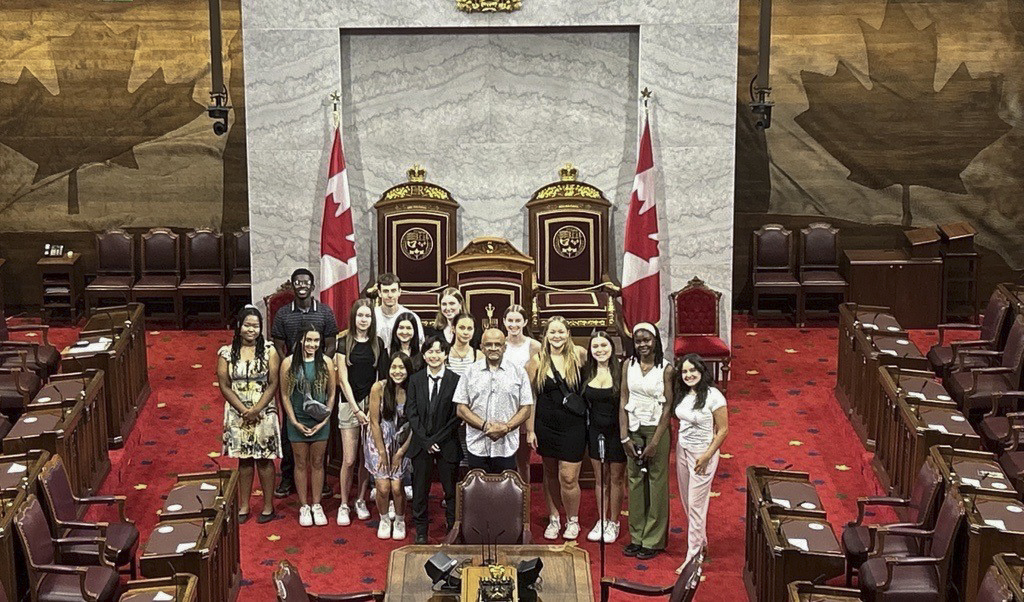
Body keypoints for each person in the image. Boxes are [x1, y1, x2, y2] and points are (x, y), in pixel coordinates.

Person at [271, 268, 339, 499]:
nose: (301, 286)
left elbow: (330, 343)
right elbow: (279, 345)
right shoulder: (282, 314)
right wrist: (290, 367)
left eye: (306, 282)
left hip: (318, 373)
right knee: (290, 427)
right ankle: (288, 477)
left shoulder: (324, 312)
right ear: (292, 285)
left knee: (320, 423)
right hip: (292, 374)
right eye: (297, 282)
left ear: (312, 285)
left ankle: (321, 483)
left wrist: (320, 365)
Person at [217, 306, 282, 525]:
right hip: (238, 412)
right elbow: (224, 385)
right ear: (239, 326)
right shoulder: (226, 352)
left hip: (263, 411)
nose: (251, 330)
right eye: (247, 325)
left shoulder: (269, 350)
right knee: (244, 461)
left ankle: (267, 505)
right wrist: (243, 410)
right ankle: (244, 505)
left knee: (264, 460)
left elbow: (273, 382)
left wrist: (256, 409)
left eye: (255, 326)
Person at [526, 316, 587, 540]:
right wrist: (531, 429)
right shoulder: (537, 360)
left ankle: (573, 520)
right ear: (546, 335)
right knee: (550, 473)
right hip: (545, 426)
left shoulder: (579, 355)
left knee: (569, 477)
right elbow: (529, 397)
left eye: (561, 332)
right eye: (552, 332)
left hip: (573, 427)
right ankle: (554, 517)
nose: (557, 336)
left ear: (568, 333)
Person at [619, 322, 675, 560]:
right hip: (633, 427)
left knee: (656, 482)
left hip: (656, 430)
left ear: (655, 341)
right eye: (638, 340)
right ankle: (637, 536)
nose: (642, 344)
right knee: (634, 481)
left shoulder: (666, 369)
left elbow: (667, 407)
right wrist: (624, 437)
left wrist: (655, 442)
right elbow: (623, 398)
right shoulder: (627, 365)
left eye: (647, 340)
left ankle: (653, 539)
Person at [334, 298, 386, 526]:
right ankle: (344, 504)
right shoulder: (343, 342)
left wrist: (373, 408)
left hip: (370, 404)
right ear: (353, 317)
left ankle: (360, 499)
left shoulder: (378, 342)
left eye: (367, 316)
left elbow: (380, 378)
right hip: (349, 404)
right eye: (360, 315)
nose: (363, 320)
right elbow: (342, 380)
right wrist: (356, 410)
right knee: (349, 458)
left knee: (367, 459)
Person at [674, 353, 729, 570]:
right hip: (682, 449)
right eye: (684, 371)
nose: (688, 375)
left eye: (692, 370)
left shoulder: (714, 396)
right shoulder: (684, 393)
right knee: (688, 502)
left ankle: (693, 559)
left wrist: (706, 456)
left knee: (696, 505)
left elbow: (723, 430)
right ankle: (701, 542)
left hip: (702, 454)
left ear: (701, 371)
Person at [405, 335, 462, 543]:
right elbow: (411, 413)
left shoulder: (455, 380)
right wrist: (426, 440)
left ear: (446, 354)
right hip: (421, 444)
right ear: (424, 354)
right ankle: (421, 530)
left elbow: (457, 416)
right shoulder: (415, 379)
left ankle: (452, 528)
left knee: (451, 491)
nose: (434, 355)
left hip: (447, 443)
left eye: (439, 351)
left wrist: (435, 439)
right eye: (430, 351)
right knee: (420, 490)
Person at [280, 323, 337, 527]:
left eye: (316, 340)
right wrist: (293, 420)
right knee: (300, 462)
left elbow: (331, 394)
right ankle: (304, 505)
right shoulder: (288, 363)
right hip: (298, 421)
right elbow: (285, 395)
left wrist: (325, 419)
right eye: (308, 340)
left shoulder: (326, 362)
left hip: (320, 421)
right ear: (301, 340)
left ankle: (316, 504)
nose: (312, 344)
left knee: (318, 461)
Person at [453, 328, 533, 473]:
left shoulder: (518, 372)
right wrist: (484, 426)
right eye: (489, 345)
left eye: (498, 344)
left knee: (505, 491)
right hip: (477, 443)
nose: (493, 348)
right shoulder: (470, 371)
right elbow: (461, 408)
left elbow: (526, 407)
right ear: (482, 348)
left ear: (505, 347)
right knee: (478, 491)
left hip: (506, 445)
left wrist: (507, 427)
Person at [365, 352, 413, 540]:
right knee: (383, 487)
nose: (397, 371)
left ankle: (400, 520)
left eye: (402, 367)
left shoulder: (413, 389)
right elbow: (374, 422)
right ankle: (384, 519)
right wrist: (382, 451)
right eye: (394, 367)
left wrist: (400, 453)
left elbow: (415, 425)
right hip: (379, 441)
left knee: (397, 486)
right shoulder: (379, 387)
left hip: (403, 442)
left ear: (408, 370)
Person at [582, 331, 625, 543]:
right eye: (595, 346)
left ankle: (614, 522)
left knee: (616, 478)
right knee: (600, 479)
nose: (600, 350)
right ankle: (602, 519)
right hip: (595, 431)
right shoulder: (586, 371)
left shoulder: (621, 371)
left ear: (612, 347)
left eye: (604, 345)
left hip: (617, 431)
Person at [502, 304, 541, 484]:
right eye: (510, 320)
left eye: (518, 320)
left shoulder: (534, 346)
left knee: (523, 460)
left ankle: (524, 499)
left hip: (526, 405)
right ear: (504, 322)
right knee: (504, 458)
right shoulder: (499, 343)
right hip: (504, 405)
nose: (514, 324)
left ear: (525, 322)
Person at [446, 312, 483, 468]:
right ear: (453, 329)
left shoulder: (479, 356)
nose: (466, 332)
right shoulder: (443, 354)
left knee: (469, 460)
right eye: (462, 328)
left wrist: (466, 413)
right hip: (447, 414)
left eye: (470, 328)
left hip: (471, 414)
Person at [374, 273, 424, 348]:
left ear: (399, 292)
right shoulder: (372, 316)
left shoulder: (411, 317)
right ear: (379, 293)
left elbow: (420, 345)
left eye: (393, 290)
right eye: (385, 291)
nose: (390, 295)